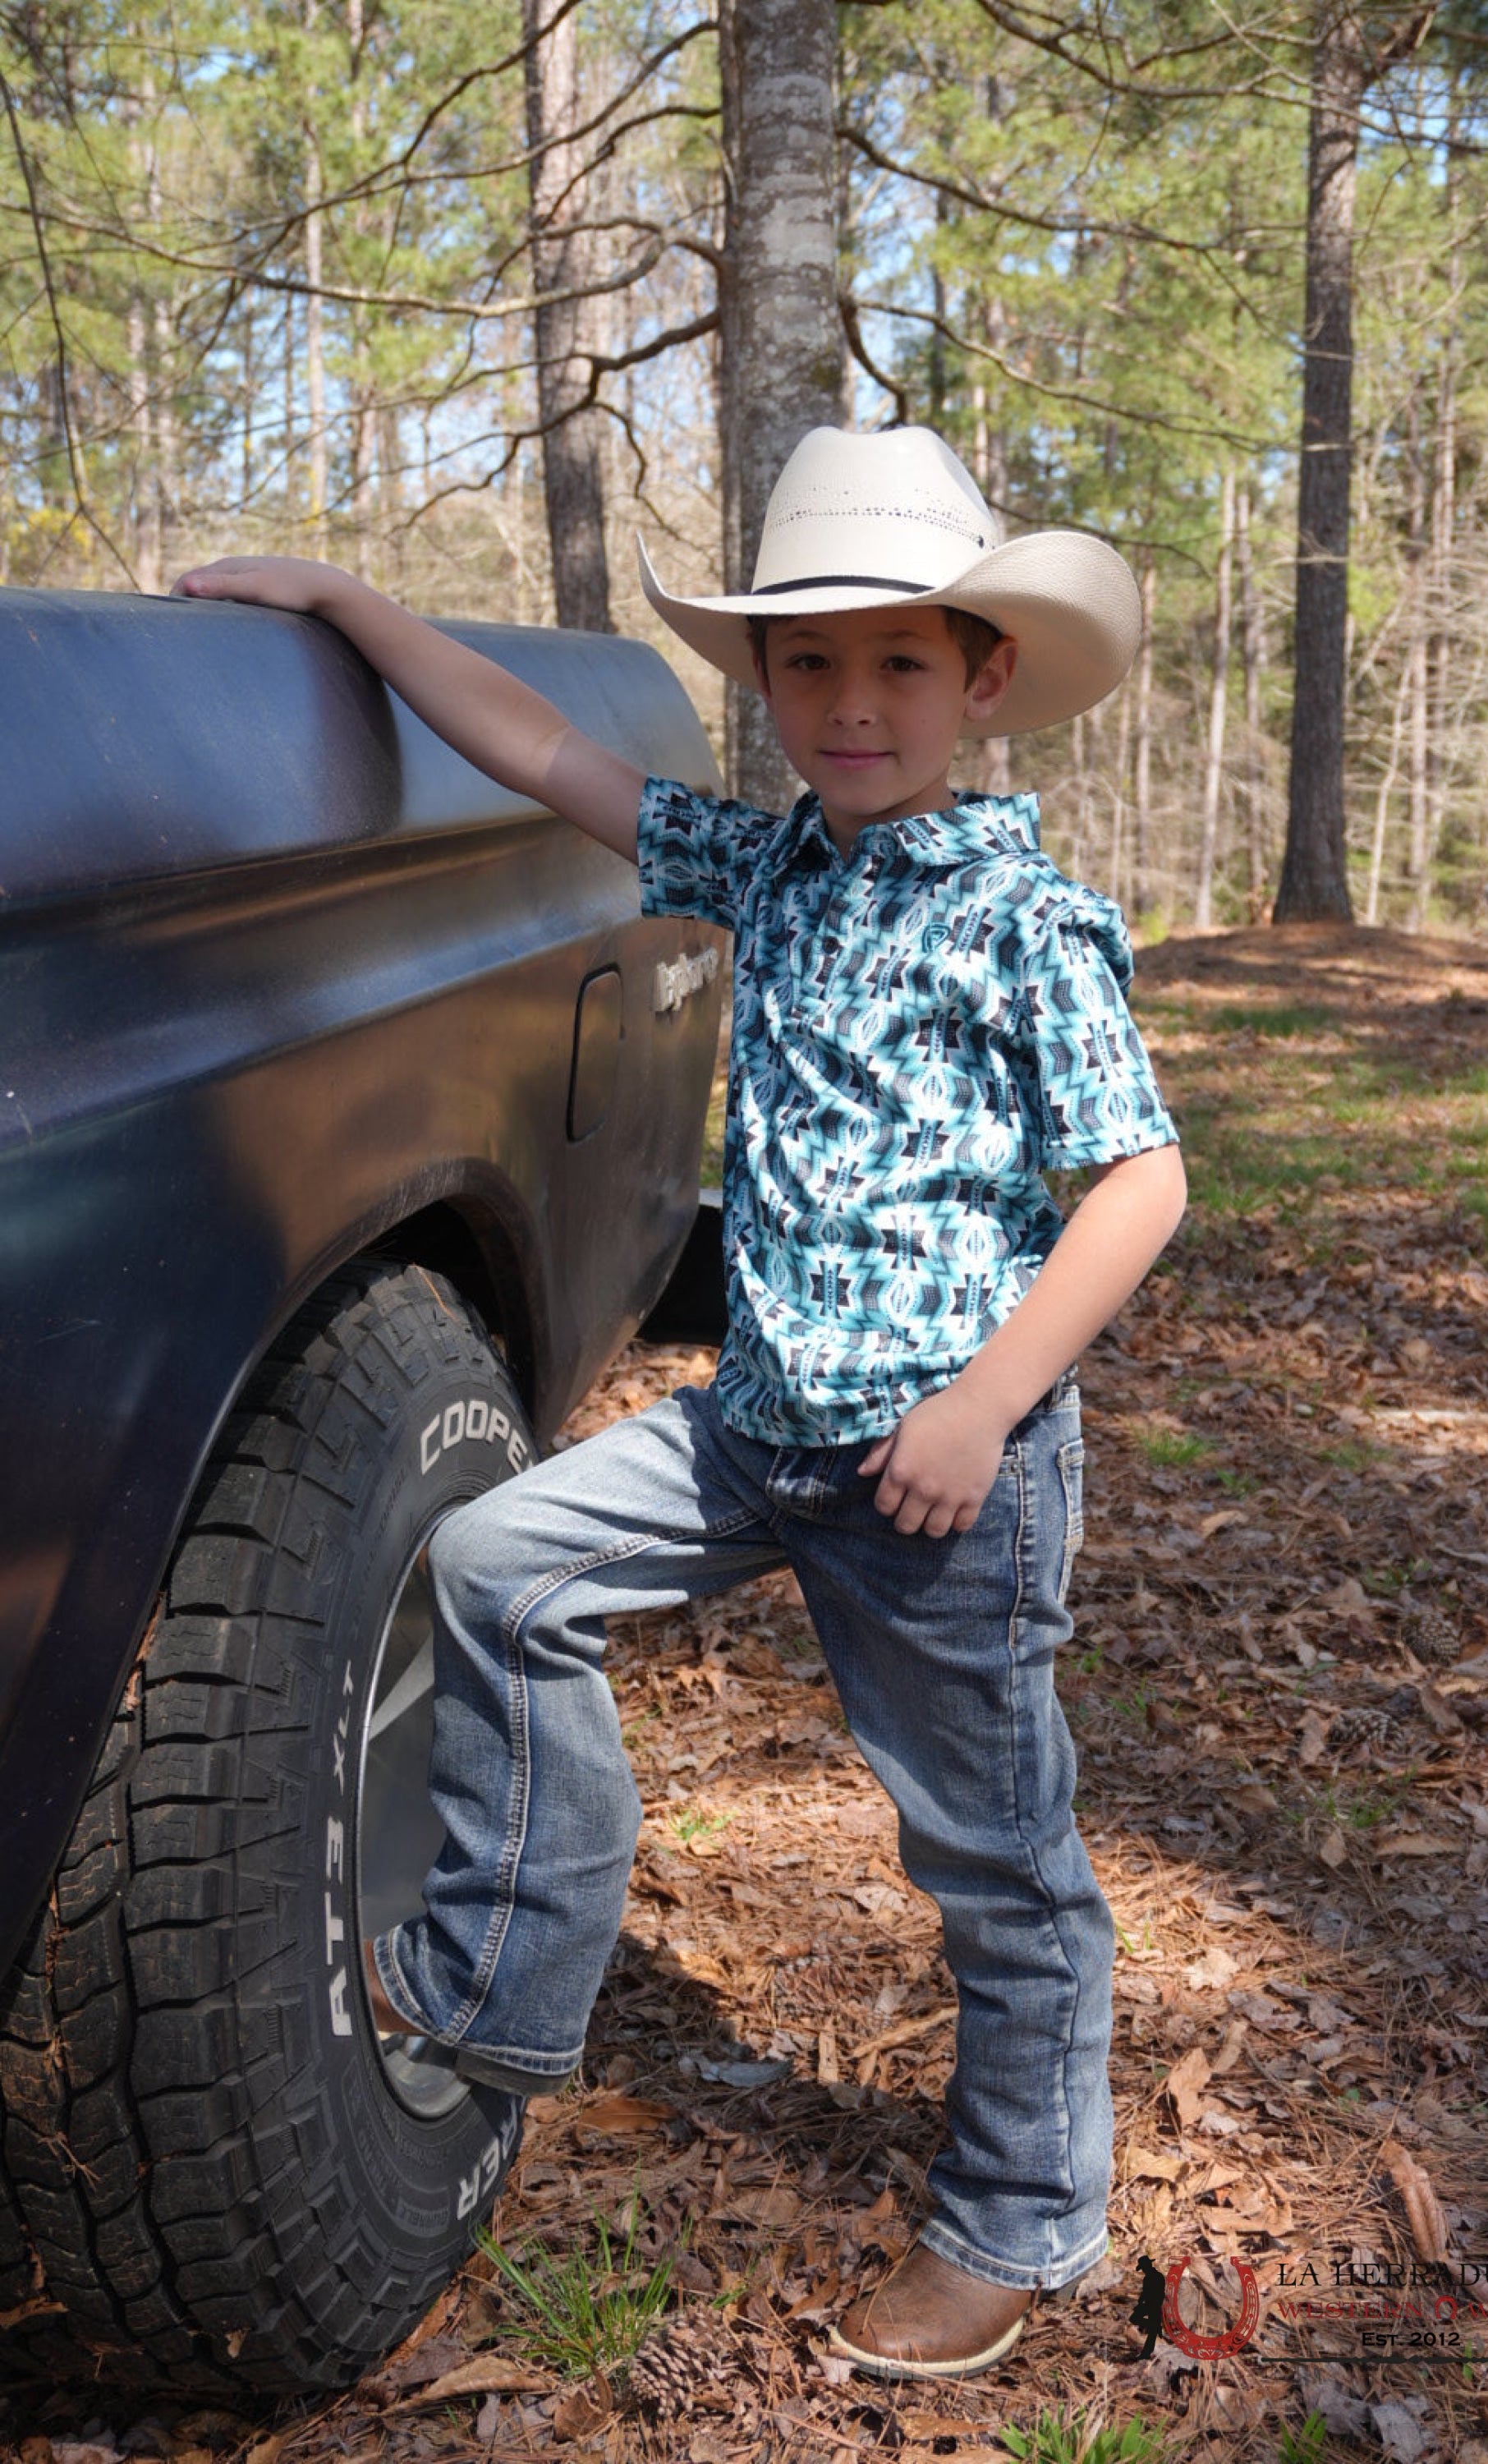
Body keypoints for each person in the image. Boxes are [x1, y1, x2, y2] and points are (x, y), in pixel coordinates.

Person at [173, 424, 1186, 2383]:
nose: (850, 704)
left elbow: (1138, 1184)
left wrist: (984, 1405)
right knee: (498, 1561)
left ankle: (1017, 2220)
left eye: (898, 662)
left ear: (982, 679)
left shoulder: (1018, 916)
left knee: (994, 1862)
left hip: (934, 1476)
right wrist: (350, 607)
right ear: (768, 690)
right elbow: (542, 755)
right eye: (808, 665)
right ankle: (504, 1973)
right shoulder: (769, 858)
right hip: (761, 1427)